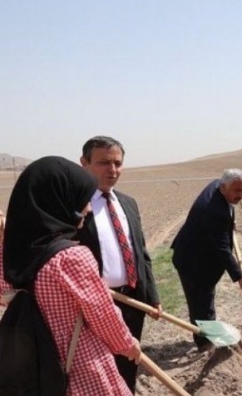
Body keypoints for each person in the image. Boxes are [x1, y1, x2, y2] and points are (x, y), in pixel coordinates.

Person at [0, 156, 140, 395]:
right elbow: (102, 314)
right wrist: (128, 344)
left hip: (33, 366)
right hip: (78, 366)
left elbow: (5, 297)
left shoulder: (9, 253)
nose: (87, 208)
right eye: (82, 199)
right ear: (59, 200)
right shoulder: (72, 258)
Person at [76, 136, 161, 393]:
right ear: (84, 163)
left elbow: (140, 253)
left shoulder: (127, 203)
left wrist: (151, 296)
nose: (112, 170)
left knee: (128, 365)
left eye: (117, 163)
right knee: (99, 372)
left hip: (132, 301)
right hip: (96, 306)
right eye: (104, 163)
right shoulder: (74, 206)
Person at [171, 169, 242, 352]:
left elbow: (223, 226)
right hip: (192, 261)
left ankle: (208, 333)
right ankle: (205, 344)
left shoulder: (218, 185)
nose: (241, 195)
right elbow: (223, 249)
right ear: (223, 188)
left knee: (205, 300)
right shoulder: (215, 211)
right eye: (237, 191)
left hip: (201, 252)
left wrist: (229, 224)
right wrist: (240, 278)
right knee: (200, 303)